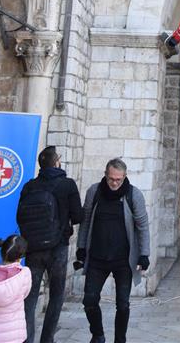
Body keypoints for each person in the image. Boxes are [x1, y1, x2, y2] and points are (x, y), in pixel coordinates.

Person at [76, 158, 150, 343]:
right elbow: (85, 221)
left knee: (123, 304)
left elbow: (142, 226)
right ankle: (98, 335)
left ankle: (120, 339)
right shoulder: (94, 192)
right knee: (90, 301)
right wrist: (81, 248)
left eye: (118, 179)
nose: (114, 183)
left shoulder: (134, 195)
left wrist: (144, 254)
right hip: (97, 258)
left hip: (123, 260)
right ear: (105, 175)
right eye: (111, 179)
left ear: (124, 177)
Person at [18, 145, 83, 343]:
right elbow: (78, 216)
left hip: (33, 249)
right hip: (58, 248)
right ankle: (47, 339)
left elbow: (20, 217)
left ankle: (28, 339)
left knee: (30, 298)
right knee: (56, 295)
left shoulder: (30, 186)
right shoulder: (67, 184)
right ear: (56, 162)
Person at [0, 235, 31, 343]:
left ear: (1, 253)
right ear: (20, 258)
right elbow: (25, 293)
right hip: (15, 335)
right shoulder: (24, 275)